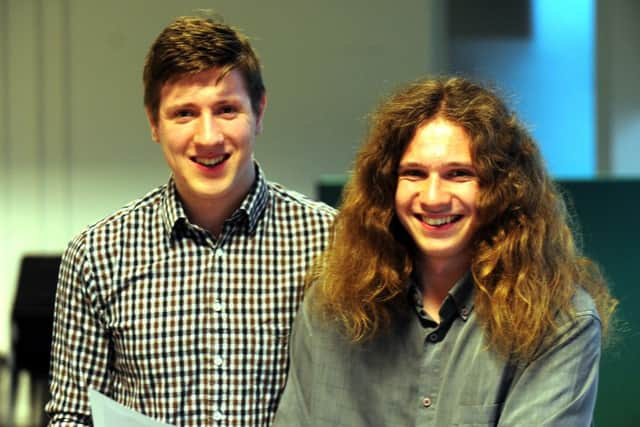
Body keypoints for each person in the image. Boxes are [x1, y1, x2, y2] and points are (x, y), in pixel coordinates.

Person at [273, 77, 618, 426]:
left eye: (458, 174)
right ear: (386, 188)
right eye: (414, 173)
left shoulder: (559, 322)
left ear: (503, 189)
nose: (434, 197)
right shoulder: (330, 306)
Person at [46, 15, 335, 426]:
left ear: (259, 110)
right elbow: (72, 416)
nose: (208, 137)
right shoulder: (96, 255)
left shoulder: (331, 242)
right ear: (153, 123)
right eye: (184, 113)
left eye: (226, 109)